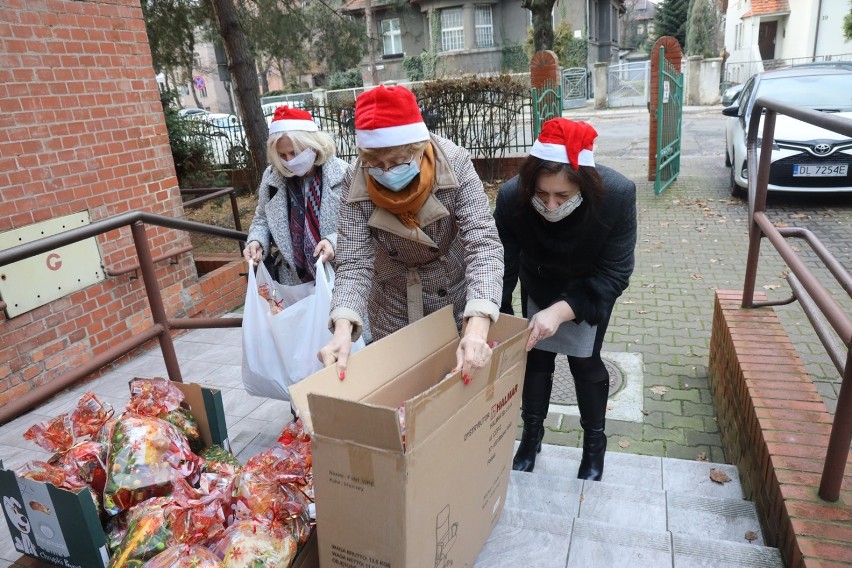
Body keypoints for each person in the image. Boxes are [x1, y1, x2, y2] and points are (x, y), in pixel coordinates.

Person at [318, 85, 504, 381]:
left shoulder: (454, 163)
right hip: (392, 300)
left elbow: (483, 245)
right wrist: (342, 329)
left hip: (451, 294)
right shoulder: (356, 179)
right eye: (376, 164)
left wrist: (478, 326)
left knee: (452, 390)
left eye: (397, 162)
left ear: (419, 148)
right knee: (402, 392)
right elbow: (354, 262)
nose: (386, 171)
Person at [494, 118, 637, 480]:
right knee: (536, 359)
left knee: (584, 364)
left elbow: (615, 274)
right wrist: (500, 318)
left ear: (583, 186)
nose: (551, 205)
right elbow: (500, 266)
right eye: (542, 195)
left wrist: (560, 312)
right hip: (538, 281)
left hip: (589, 290)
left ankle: (594, 444)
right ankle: (531, 436)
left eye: (563, 196)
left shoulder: (617, 196)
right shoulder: (513, 197)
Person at [243, 105, 347, 284]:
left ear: (313, 145)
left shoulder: (344, 174)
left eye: (294, 152)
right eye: (282, 155)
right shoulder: (272, 178)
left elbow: (359, 226)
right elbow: (262, 219)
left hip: (339, 277)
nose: (289, 161)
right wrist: (257, 241)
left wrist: (333, 242)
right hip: (294, 282)